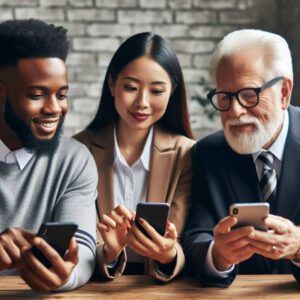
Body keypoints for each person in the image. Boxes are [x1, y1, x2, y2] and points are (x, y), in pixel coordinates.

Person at [182, 29, 300, 287]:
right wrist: (219, 255)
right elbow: (195, 236)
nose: (234, 111)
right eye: (224, 97)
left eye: (249, 95)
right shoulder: (208, 153)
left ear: (284, 92)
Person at [74, 32, 195, 282]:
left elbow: (183, 241)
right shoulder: (79, 150)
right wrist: (109, 251)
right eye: (130, 87)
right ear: (111, 84)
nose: (142, 102)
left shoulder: (187, 154)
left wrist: (168, 253)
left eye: (157, 91)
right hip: (95, 288)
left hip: (162, 289)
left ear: (172, 92)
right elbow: (78, 244)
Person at [0, 19, 98, 292]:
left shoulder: (75, 161)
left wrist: (67, 275)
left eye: (62, 94)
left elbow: (85, 248)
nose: (55, 108)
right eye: (37, 94)